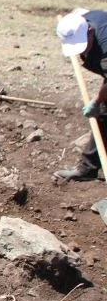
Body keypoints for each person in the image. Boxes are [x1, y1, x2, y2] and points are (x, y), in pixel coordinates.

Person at [54, 10, 107, 180]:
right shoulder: (82, 20)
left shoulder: (105, 45)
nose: (81, 52)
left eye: (83, 45)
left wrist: (97, 100)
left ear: (90, 32)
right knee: (104, 115)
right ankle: (88, 169)